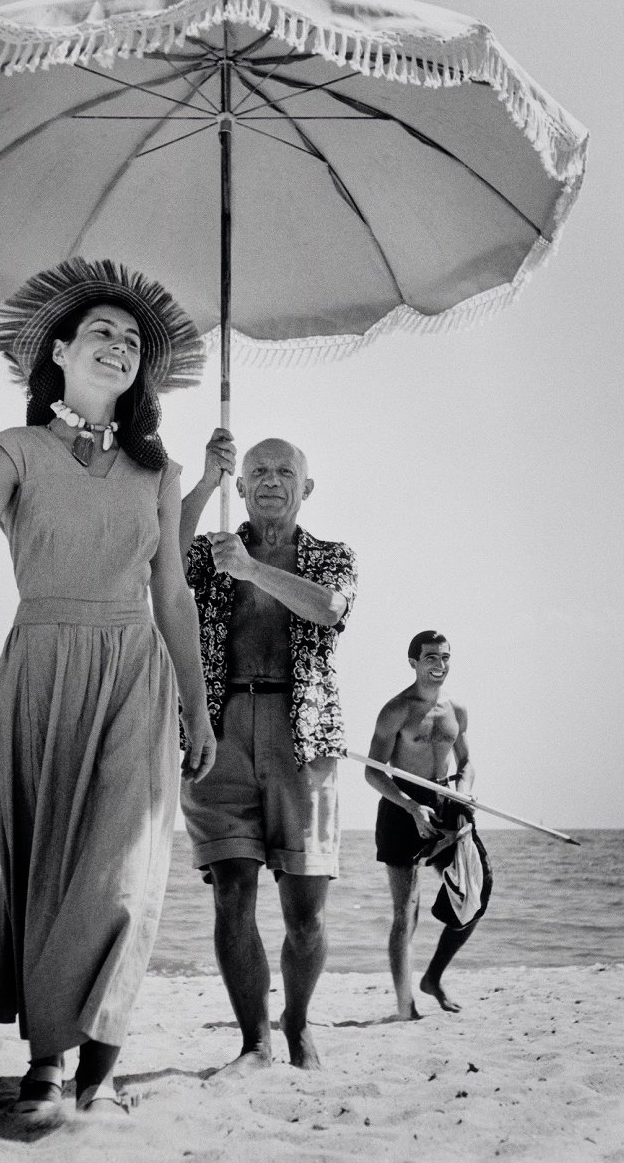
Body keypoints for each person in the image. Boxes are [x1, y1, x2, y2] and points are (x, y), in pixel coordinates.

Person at [0, 258, 216, 1119]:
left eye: (132, 340)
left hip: (135, 670)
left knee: (125, 872)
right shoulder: (10, 451)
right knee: (50, 867)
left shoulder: (158, 473)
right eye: (102, 331)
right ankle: (48, 1057)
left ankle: (102, 1055)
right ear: (57, 351)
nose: (119, 346)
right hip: (43, 663)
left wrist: (196, 705)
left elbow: (171, 594)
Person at [179, 429, 358, 1072]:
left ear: (306, 487)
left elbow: (329, 611)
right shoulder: (212, 550)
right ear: (242, 485)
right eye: (257, 471)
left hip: (302, 734)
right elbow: (158, 559)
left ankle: (298, 1022)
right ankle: (253, 1040)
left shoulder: (332, 555)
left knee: (305, 909)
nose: (271, 481)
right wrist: (203, 482)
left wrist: (252, 570)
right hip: (218, 729)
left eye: (285, 471)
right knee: (231, 892)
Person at [366, 630, 492, 1021]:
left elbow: (466, 762)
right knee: (407, 910)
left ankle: (433, 977)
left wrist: (465, 790)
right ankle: (405, 1006)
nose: (439, 666)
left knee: (476, 893)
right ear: (414, 663)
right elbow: (373, 773)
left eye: (445, 658)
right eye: (431, 658)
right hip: (402, 805)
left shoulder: (457, 709)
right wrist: (409, 806)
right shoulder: (397, 710)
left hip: (447, 800)